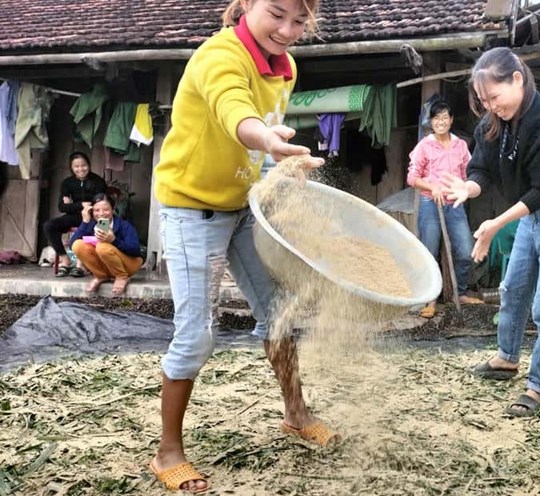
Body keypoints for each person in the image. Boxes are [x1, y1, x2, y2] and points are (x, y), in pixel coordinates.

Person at [148, 0, 329, 492]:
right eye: (277, 14)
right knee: (197, 334)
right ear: (246, 3)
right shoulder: (218, 56)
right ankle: (168, 453)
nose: (288, 31)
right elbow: (238, 114)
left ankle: (296, 413)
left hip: (243, 208)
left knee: (281, 313)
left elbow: (260, 139)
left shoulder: (286, 66)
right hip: (193, 210)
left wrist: (276, 171)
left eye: (300, 21)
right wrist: (268, 141)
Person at [441, 47, 540, 417]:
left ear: (517, 79)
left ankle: (537, 387)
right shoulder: (492, 123)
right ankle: (506, 359)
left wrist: (493, 225)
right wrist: (467, 189)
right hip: (531, 213)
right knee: (513, 288)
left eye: (495, 96)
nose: (490, 105)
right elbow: (482, 170)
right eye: (483, 99)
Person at [407, 100, 483, 318]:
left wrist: (464, 188)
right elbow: (412, 177)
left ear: (450, 120)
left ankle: (459, 293)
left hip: (454, 203)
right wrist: (433, 187)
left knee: (465, 250)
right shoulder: (425, 146)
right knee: (429, 250)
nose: (441, 122)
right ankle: (429, 299)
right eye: (436, 118)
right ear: (431, 122)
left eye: (444, 118)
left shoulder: (460, 145)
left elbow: (468, 172)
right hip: (431, 202)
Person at [43, 151, 106, 277]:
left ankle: (81, 264)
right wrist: (81, 205)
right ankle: (65, 259)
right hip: (75, 216)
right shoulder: (67, 183)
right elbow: (62, 207)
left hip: (95, 216)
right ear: (71, 168)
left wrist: (75, 206)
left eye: (83, 165)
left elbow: (101, 203)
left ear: (88, 165)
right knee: (49, 226)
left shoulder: (98, 181)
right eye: (76, 166)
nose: (80, 169)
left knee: (95, 227)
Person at [69, 193, 142, 295]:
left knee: (102, 246)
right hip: (106, 265)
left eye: (106, 210)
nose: (101, 214)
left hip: (128, 264)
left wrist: (114, 240)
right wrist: (85, 221)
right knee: (78, 245)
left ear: (113, 209)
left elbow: (135, 250)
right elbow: (72, 244)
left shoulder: (124, 225)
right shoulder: (91, 224)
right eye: (96, 210)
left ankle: (121, 277)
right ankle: (101, 276)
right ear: (91, 211)